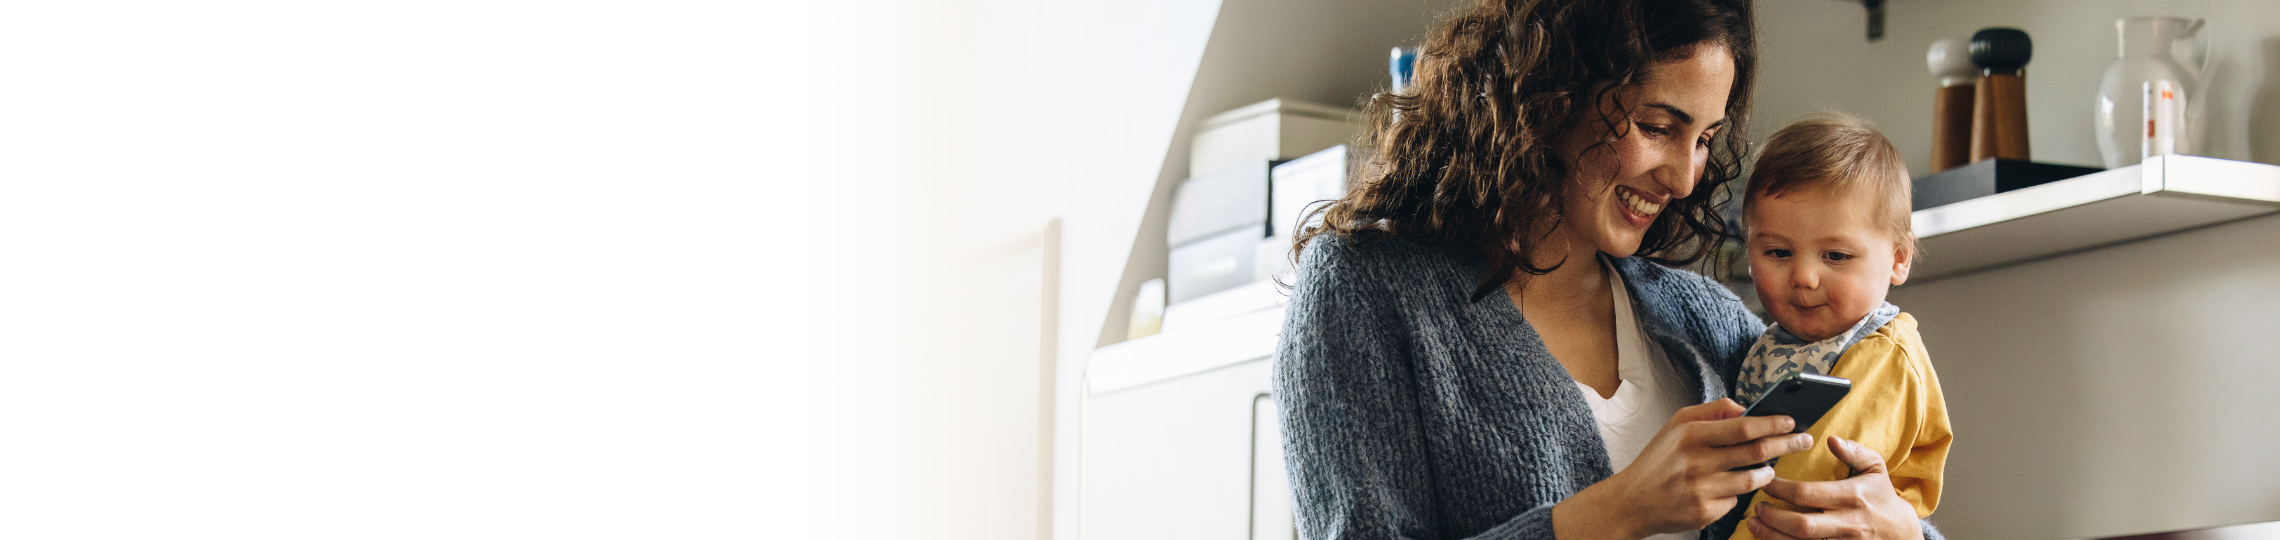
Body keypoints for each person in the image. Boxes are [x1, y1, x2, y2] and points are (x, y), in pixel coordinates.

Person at [1270, 0, 1945, 538]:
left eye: (1704, 139)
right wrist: (1617, 514)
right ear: (1552, 94)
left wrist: (1900, 533)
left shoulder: (1706, 321)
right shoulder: (1366, 288)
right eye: (1658, 125)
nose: (1684, 177)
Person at [1718, 112, 1953, 540]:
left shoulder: (1882, 354)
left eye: (1836, 257)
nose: (1804, 277)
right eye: (1777, 253)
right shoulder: (1772, 341)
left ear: (1898, 259)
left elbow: (1815, 472)